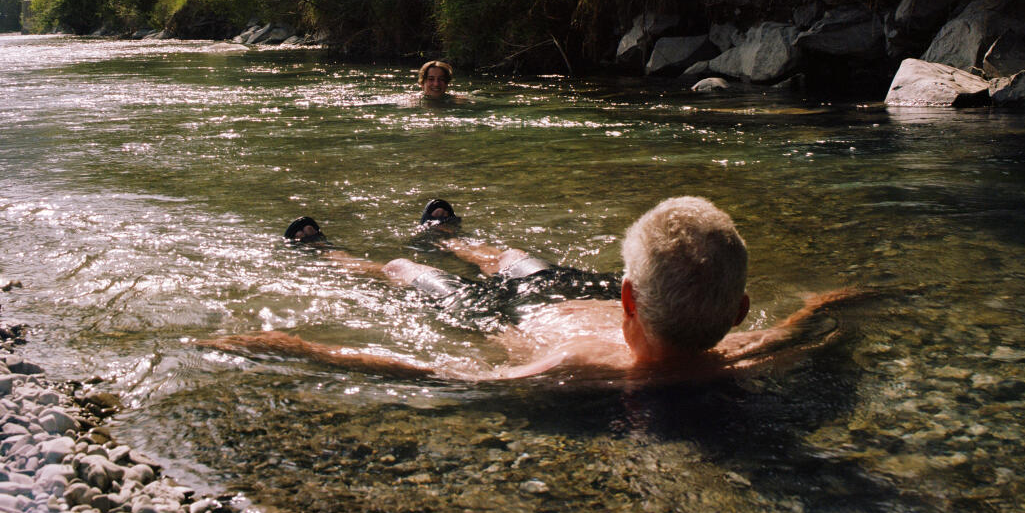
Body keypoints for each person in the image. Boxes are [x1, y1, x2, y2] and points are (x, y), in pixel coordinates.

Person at [203, 198, 864, 384]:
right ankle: (443, 234)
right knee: (510, 254)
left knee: (403, 275)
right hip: (586, 291)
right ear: (740, 308)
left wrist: (295, 346)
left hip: (516, 315)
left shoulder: (575, 366)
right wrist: (843, 299)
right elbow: (805, 321)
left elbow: (432, 370)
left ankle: (325, 250)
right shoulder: (744, 345)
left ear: (631, 298)